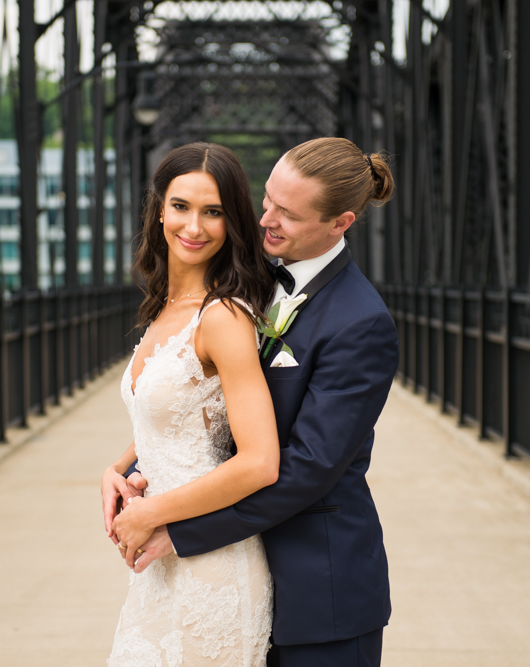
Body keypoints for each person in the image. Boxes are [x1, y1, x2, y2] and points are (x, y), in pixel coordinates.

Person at [107, 137, 399, 667]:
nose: (267, 220)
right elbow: (201, 403)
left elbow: (304, 470)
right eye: (267, 200)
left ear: (341, 222)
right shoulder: (250, 284)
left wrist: (178, 529)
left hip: (318, 590)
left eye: (288, 214)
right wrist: (123, 464)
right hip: (233, 562)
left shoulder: (361, 323)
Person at [102, 142, 280, 666]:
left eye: (214, 212)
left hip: (211, 566)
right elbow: (178, 416)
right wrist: (116, 468)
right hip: (160, 561)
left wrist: (150, 512)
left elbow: (260, 460)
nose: (194, 226)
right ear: (159, 209)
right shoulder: (164, 305)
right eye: (181, 206)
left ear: (232, 222)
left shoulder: (223, 316)